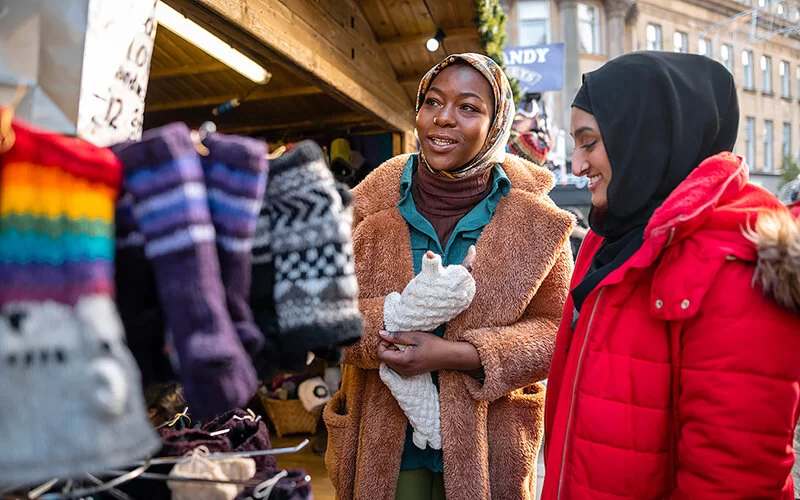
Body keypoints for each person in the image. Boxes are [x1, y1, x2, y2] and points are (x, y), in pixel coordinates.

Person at [542, 51, 800, 499]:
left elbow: (730, 482)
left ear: (644, 136)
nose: (578, 165)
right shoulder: (613, 236)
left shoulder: (735, 269)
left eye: (589, 142)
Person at [324, 53, 575, 500]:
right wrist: (386, 326)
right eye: (433, 102)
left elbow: (557, 331)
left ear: (496, 122)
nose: (443, 119)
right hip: (385, 442)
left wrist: (457, 354)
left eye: (468, 107)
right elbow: (327, 309)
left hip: (488, 443)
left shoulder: (538, 221)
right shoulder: (364, 209)